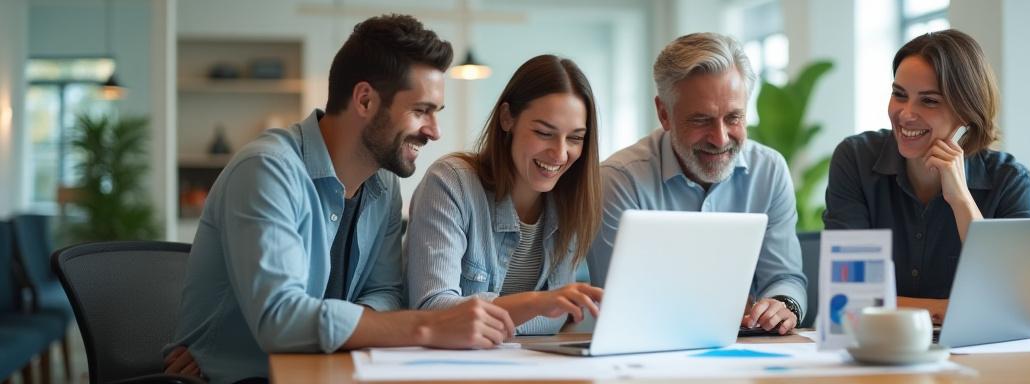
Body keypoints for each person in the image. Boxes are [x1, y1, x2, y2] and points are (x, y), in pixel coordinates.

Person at [164, 15, 516, 383]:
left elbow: (385, 292)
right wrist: (426, 327)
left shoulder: (383, 184)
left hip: (328, 371)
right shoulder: (267, 170)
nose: (435, 131)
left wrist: (345, 328)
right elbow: (281, 320)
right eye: (420, 110)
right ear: (364, 100)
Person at [588, 32, 807, 335]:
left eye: (733, 118)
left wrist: (782, 305)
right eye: (701, 120)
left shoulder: (769, 171)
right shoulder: (618, 180)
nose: (720, 138)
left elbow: (785, 278)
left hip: (750, 353)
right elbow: (620, 305)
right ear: (664, 113)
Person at [823, 29, 1030, 324]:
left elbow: (1013, 305)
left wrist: (961, 200)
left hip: (978, 354)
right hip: (878, 348)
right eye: (899, 95)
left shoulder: (1010, 181)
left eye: (929, 101)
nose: (905, 114)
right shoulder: (856, 159)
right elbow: (851, 298)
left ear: (967, 112)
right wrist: (950, 310)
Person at [405, 55, 604, 335]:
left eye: (575, 138)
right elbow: (433, 307)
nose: (560, 154)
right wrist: (537, 303)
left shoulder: (570, 203)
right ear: (507, 118)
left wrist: (543, 309)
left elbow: (558, 315)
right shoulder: (451, 182)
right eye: (544, 133)